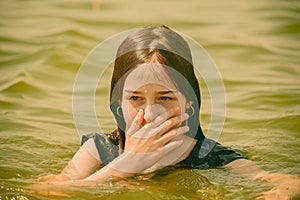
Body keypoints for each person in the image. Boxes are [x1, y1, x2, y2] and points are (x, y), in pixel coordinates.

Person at [35, 25, 299, 199]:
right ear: (118, 103)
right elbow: (47, 190)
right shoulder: (101, 150)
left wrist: (280, 191)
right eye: (136, 98)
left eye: (165, 98)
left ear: (189, 102)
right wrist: (125, 165)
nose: (150, 114)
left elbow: (287, 181)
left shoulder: (209, 156)